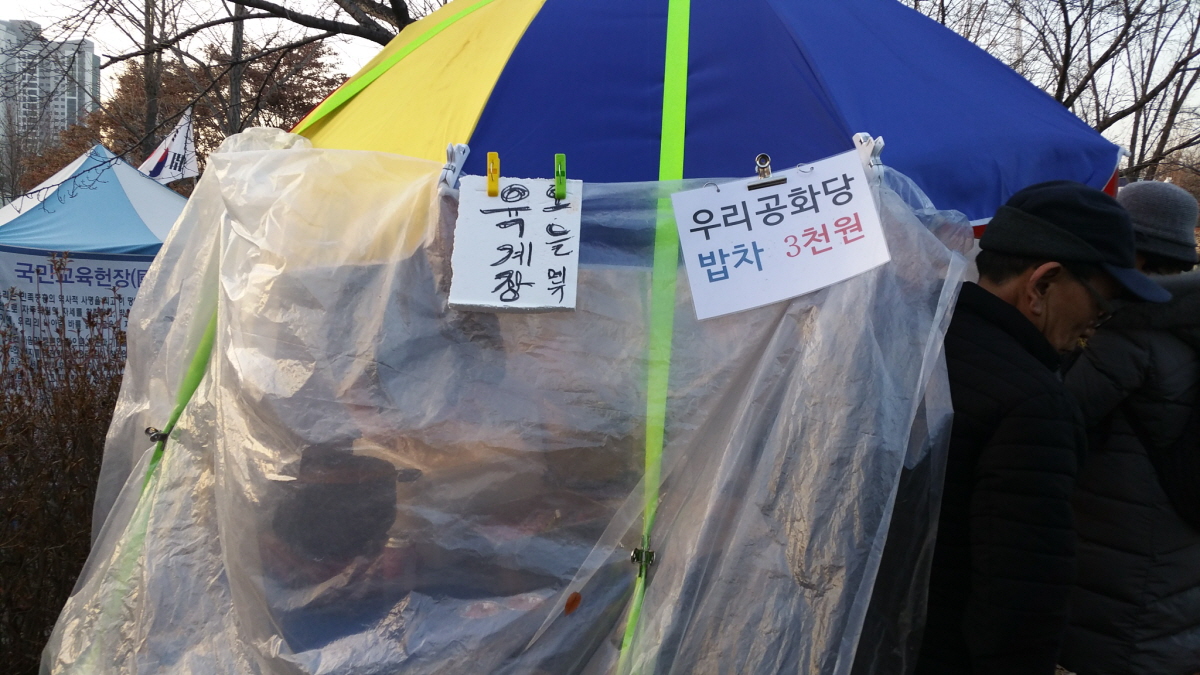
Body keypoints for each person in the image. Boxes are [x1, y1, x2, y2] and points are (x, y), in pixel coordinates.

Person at [914, 181, 1171, 675]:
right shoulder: (1035, 406)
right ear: (1042, 285)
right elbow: (1020, 606)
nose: (1097, 323)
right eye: (1102, 304)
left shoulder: (909, 343)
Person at [1058, 180, 1200, 675]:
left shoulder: (1129, 332)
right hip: (1175, 545)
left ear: (1133, 253)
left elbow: (1057, 418)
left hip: (1123, 559)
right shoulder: (1186, 320)